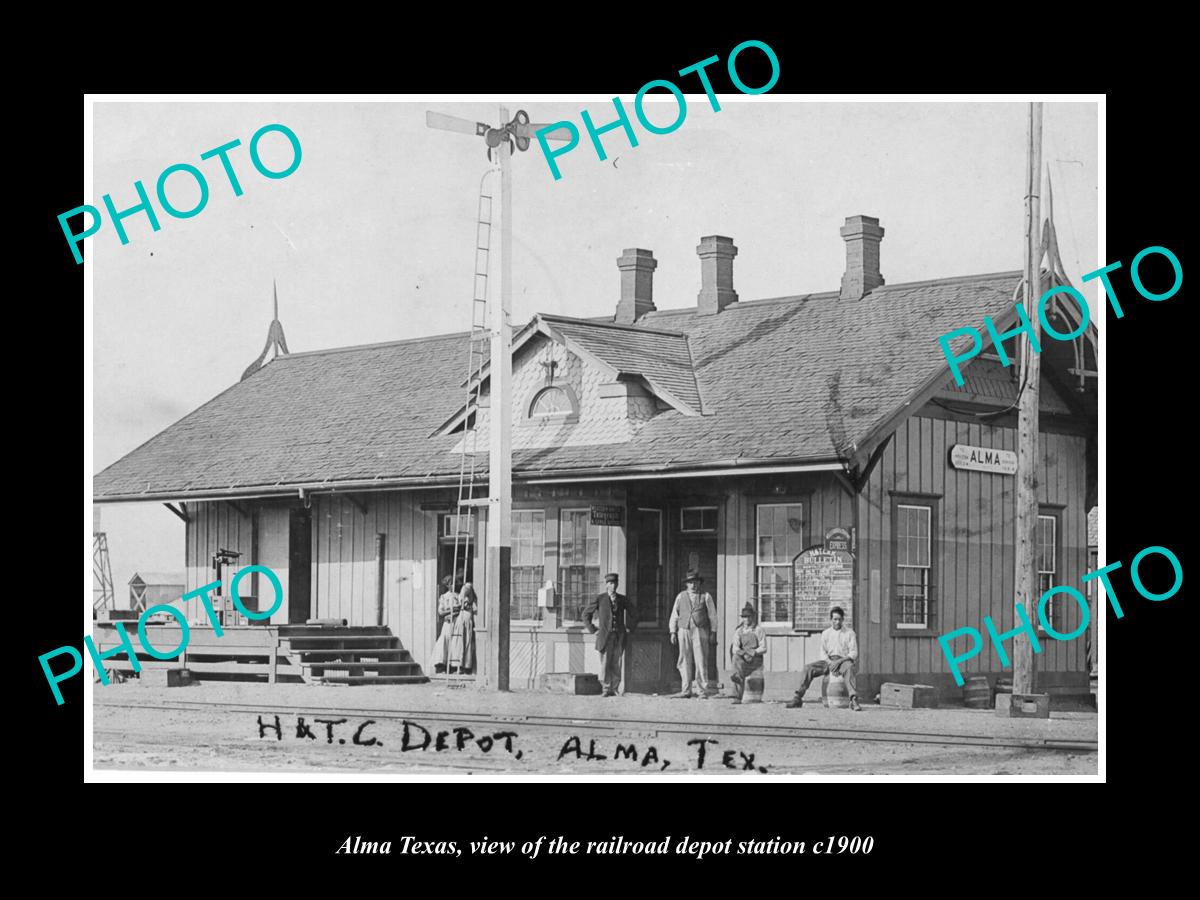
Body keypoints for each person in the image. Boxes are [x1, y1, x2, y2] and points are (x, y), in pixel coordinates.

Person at [786, 606, 862, 711]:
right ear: (831, 620)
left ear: (843, 619)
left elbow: (853, 652)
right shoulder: (826, 633)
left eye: (839, 619)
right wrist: (830, 663)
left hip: (843, 661)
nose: (837, 622)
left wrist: (840, 661)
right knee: (808, 668)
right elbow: (822, 652)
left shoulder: (850, 633)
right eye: (835, 619)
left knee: (849, 669)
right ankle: (798, 697)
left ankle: (853, 700)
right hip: (828, 661)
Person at [583, 573, 636, 697]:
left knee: (617, 663)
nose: (613, 586)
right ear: (606, 585)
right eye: (611, 583)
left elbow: (635, 613)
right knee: (605, 663)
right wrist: (593, 630)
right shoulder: (600, 599)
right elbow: (585, 615)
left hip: (619, 636)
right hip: (605, 637)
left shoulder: (622, 599)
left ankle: (615, 688)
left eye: (615, 583)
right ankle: (606, 689)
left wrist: (629, 627)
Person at [669, 570, 718, 699]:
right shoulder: (681, 596)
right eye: (690, 583)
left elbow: (713, 616)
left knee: (701, 660)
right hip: (683, 630)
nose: (693, 585)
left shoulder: (706, 596)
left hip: (700, 630)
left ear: (699, 583)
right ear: (687, 584)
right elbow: (675, 614)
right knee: (684, 659)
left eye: (695, 582)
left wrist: (713, 632)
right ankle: (686, 690)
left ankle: (702, 691)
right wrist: (672, 631)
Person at [729, 602, 766, 704]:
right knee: (736, 660)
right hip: (743, 657)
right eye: (745, 617)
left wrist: (752, 652)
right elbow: (735, 648)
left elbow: (763, 648)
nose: (747, 619)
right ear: (742, 618)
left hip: (755, 659)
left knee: (738, 669)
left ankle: (737, 675)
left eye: (749, 617)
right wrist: (744, 654)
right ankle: (737, 696)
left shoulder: (759, 630)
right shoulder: (739, 631)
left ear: (753, 617)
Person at [449, 582, 477, 675]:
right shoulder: (466, 588)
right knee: (460, 640)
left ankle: (464, 665)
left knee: (464, 640)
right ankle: (460, 665)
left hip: (465, 615)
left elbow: (463, 596)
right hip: (464, 615)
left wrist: (462, 602)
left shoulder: (467, 587)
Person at [432, 575, 456, 673]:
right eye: (450, 584)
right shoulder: (444, 597)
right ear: (447, 585)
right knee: (444, 641)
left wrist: (454, 611)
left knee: (454, 642)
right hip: (447, 623)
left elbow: (461, 609)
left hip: (456, 622)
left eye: (454, 583)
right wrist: (451, 610)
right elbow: (441, 612)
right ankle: (442, 665)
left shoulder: (458, 595)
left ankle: (453, 666)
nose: (452, 585)